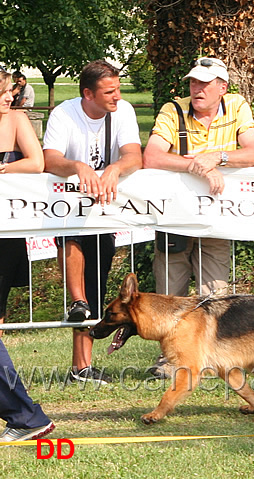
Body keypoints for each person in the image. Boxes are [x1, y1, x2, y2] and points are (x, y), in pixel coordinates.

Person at [43, 60, 142, 385]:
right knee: (72, 249)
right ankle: (77, 301)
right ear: (87, 94)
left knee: (98, 279)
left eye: (118, 88)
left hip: (102, 208)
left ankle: (82, 367)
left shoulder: (123, 111)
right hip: (68, 207)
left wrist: (113, 170)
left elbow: (133, 155)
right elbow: (50, 158)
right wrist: (78, 166)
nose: (117, 96)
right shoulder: (64, 114)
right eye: (109, 91)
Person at [143, 57, 254, 298]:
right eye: (193, 82)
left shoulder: (237, 106)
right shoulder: (173, 110)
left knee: (216, 299)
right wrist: (200, 166)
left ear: (223, 87)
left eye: (205, 83)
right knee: (169, 299)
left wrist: (217, 157)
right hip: (174, 218)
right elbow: (152, 157)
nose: (197, 89)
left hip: (216, 219)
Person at [0, 69, 55, 442]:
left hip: (5, 236)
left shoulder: (16, 120)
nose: (10, 97)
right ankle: (25, 415)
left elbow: (36, 163)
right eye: (5, 92)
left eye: (10, 91)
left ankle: (26, 415)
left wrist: (2, 167)